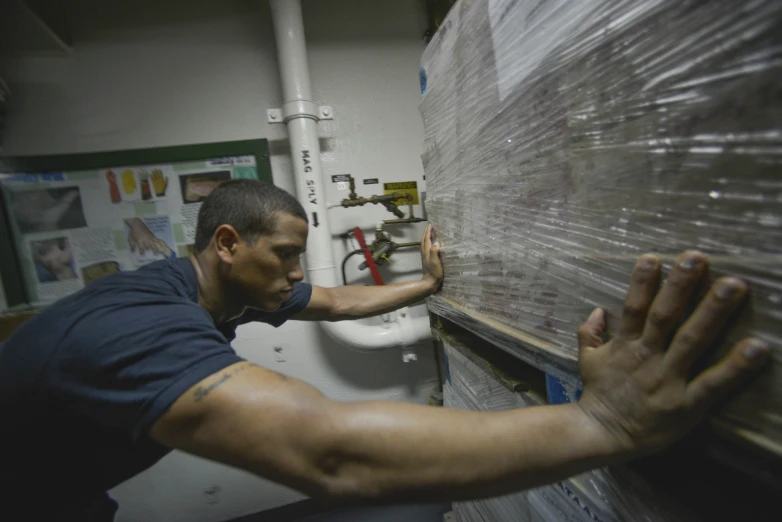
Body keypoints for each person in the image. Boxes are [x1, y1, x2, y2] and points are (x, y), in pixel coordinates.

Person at [0, 179, 769, 521]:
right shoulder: (135, 322)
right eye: (287, 256)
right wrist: (608, 424)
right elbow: (327, 451)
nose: (299, 276)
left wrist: (426, 284)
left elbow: (335, 301)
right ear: (228, 243)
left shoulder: (223, 287)